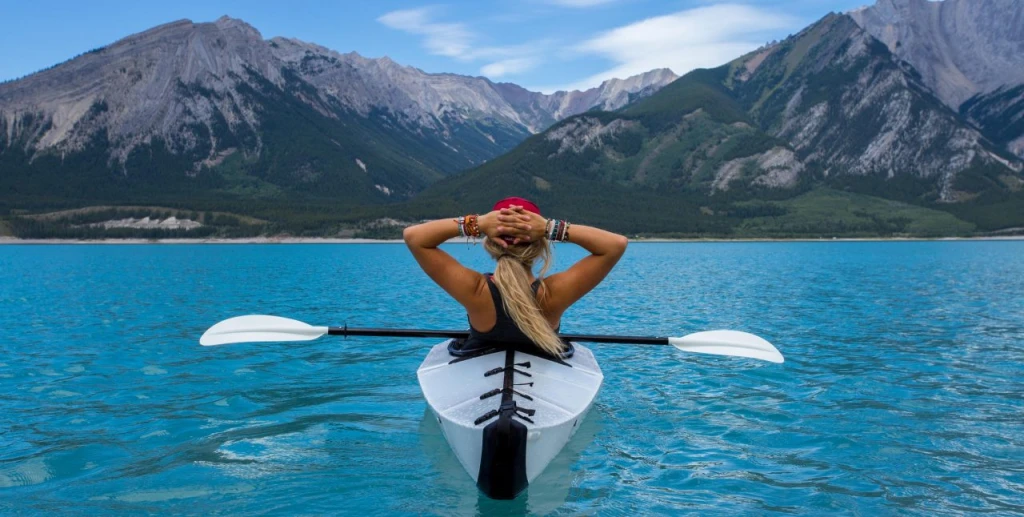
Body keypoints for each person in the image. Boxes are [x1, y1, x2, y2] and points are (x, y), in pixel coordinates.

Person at [403, 197, 628, 357]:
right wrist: (551, 227)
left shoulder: (474, 290)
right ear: (540, 244)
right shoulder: (553, 294)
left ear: (490, 243)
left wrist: (477, 223)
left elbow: (414, 237)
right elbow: (615, 244)